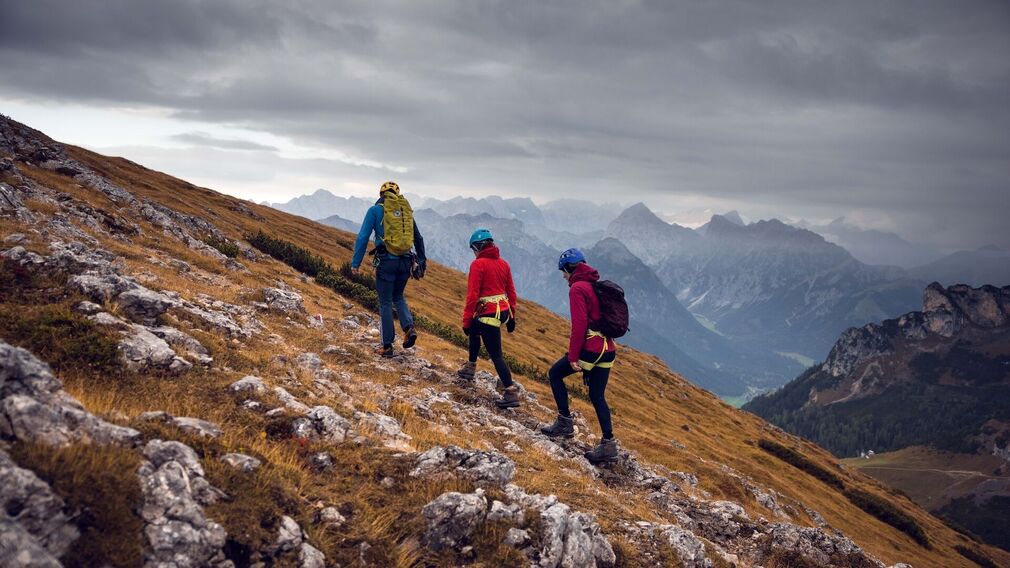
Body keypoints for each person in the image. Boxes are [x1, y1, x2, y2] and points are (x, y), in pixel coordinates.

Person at [540, 248, 619, 464]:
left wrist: (574, 356)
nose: (563, 276)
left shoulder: (577, 288)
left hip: (591, 348)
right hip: (608, 348)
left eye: (563, 271)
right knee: (597, 395)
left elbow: (579, 325)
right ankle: (609, 444)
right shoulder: (595, 284)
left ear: (569, 268)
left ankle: (564, 423)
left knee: (555, 374)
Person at [351, 181, 427, 358]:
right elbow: (418, 238)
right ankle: (408, 328)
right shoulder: (405, 211)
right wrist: (422, 261)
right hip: (406, 261)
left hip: (386, 262)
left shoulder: (375, 210)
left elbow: (363, 237)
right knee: (398, 296)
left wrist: (356, 264)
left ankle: (387, 346)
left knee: (385, 302)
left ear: (381, 194)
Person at [457, 228, 520, 409]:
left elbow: (472, 295)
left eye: (473, 248)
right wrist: (512, 316)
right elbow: (511, 292)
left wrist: (466, 320)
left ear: (478, 246)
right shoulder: (504, 264)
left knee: (496, 355)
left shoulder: (478, 265)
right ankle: (470, 367)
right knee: (475, 330)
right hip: (503, 311)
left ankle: (510, 392)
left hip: (489, 313)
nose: (473, 252)